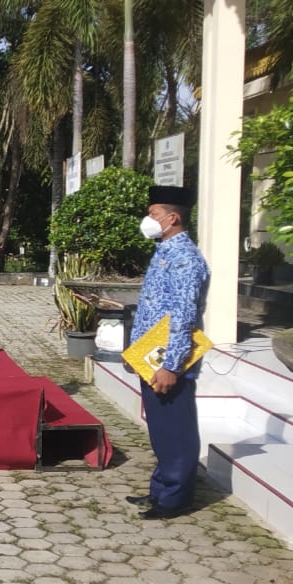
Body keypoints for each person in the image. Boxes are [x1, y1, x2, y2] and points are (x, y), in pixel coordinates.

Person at [126, 185, 210, 519]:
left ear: (172, 218)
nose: (148, 219)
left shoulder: (185, 259)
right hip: (152, 355)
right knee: (162, 430)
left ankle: (176, 498)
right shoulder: (165, 251)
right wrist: (136, 352)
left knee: (177, 431)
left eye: (154, 213)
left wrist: (171, 366)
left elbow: (183, 316)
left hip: (169, 360)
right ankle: (161, 489)